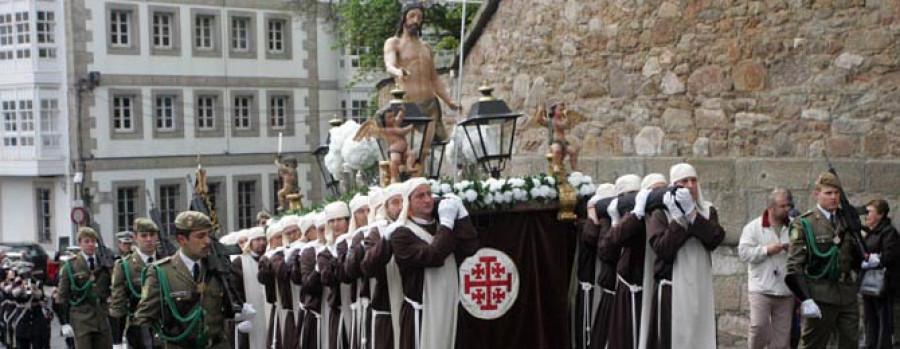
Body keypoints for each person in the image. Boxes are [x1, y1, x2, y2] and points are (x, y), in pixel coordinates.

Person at [390, 177, 479, 349]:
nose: (427, 199)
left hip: (449, 306)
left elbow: (470, 247)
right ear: (408, 202)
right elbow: (433, 257)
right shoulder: (401, 234)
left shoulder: (443, 226)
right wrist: (446, 224)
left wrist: (461, 214)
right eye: (420, 196)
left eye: (429, 194)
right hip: (421, 313)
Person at [644, 164, 725, 348]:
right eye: (684, 181)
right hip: (672, 289)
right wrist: (680, 221)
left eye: (693, 180)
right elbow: (663, 249)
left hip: (700, 285)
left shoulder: (708, 210)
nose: (689, 185)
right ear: (674, 185)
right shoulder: (660, 213)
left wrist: (693, 215)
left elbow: (714, 238)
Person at [786, 172, 866, 349]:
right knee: (813, 344)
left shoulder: (847, 220)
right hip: (819, 295)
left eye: (836, 193)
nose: (833, 197)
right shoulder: (804, 224)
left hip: (846, 294)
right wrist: (805, 299)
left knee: (850, 343)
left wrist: (865, 258)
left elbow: (852, 255)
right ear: (817, 193)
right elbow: (794, 265)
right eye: (828, 193)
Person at [383, 2, 461, 167]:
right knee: (407, 152)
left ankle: (420, 184)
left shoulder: (426, 48)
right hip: (407, 105)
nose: (415, 20)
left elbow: (434, 79)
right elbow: (389, 64)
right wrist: (398, 72)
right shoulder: (394, 43)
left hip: (429, 105)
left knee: (423, 152)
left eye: (419, 17)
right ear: (404, 18)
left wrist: (449, 101)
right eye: (412, 16)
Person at [738, 188, 795, 349]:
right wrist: (766, 250)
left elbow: (804, 249)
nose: (787, 209)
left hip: (786, 289)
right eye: (783, 206)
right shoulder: (753, 227)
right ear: (771, 207)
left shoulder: (794, 226)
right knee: (758, 327)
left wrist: (795, 250)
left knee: (782, 337)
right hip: (760, 288)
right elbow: (743, 252)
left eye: (788, 206)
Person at [362, 183, 407, 349]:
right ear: (386, 208)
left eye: (403, 201)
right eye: (395, 202)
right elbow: (368, 266)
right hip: (386, 309)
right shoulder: (376, 232)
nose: (401, 206)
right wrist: (386, 240)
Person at [56, 227, 113, 349]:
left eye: (93, 241)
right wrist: (64, 322)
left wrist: (110, 269)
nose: (91, 244)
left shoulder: (104, 263)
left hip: (101, 316)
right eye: (87, 241)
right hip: (81, 319)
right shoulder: (70, 266)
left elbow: (114, 286)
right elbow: (62, 297)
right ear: (80, 243)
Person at [110, 218, 161, 349]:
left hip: (167, 328)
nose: (149, 239)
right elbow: (118, 305)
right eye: (144, 236)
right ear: (135, 238)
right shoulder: (125, 266)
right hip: (138, 328)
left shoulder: (167, 261)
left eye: (152, 235)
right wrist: (117, 342)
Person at [606, 174, 643, 349]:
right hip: (625, 285)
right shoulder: (621, 217)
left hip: (641, 285)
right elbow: (607, 248)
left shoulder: (641, 216)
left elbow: (622, 235)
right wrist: (614, 221)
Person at [861, 199, 900, 349]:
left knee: (882, 319)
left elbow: (891, 254)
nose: (866, 215)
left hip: (883, 283)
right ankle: (870, 344)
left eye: (869, 212)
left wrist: (875, 259)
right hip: (869, 282)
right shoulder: (871, 232)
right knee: (870, 319)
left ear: (881, 214)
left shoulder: (888, 232)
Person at [581, 183, 615, 349]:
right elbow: (590, 238)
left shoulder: (612, 221)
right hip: (592, 277)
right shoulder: (594, 221)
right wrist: (593, 217)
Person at [231, 226, 267, 349]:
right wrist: (240, 315)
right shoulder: (239, 262)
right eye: (257, 240)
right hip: (249, 315)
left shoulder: (268, 259)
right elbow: (235, 290)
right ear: (250, 242)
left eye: (263, 239)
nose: (261, 243)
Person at [342, 193, 371, 348]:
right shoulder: (349, 239)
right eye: (361, 211)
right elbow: (350, 270)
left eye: (368, 209)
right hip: (359, 294)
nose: (366, 215)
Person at [296, 212, 326, 349]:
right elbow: (306, 284)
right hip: (317, 312)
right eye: (317, 229)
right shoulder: (308, 252)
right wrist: (318, 269)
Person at [258, 219, 286, 349]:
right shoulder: (267, 258)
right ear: (271, 240)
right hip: (276, 303)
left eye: (282, 236)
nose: (281, 240)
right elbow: (263, 278)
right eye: (278, 237)